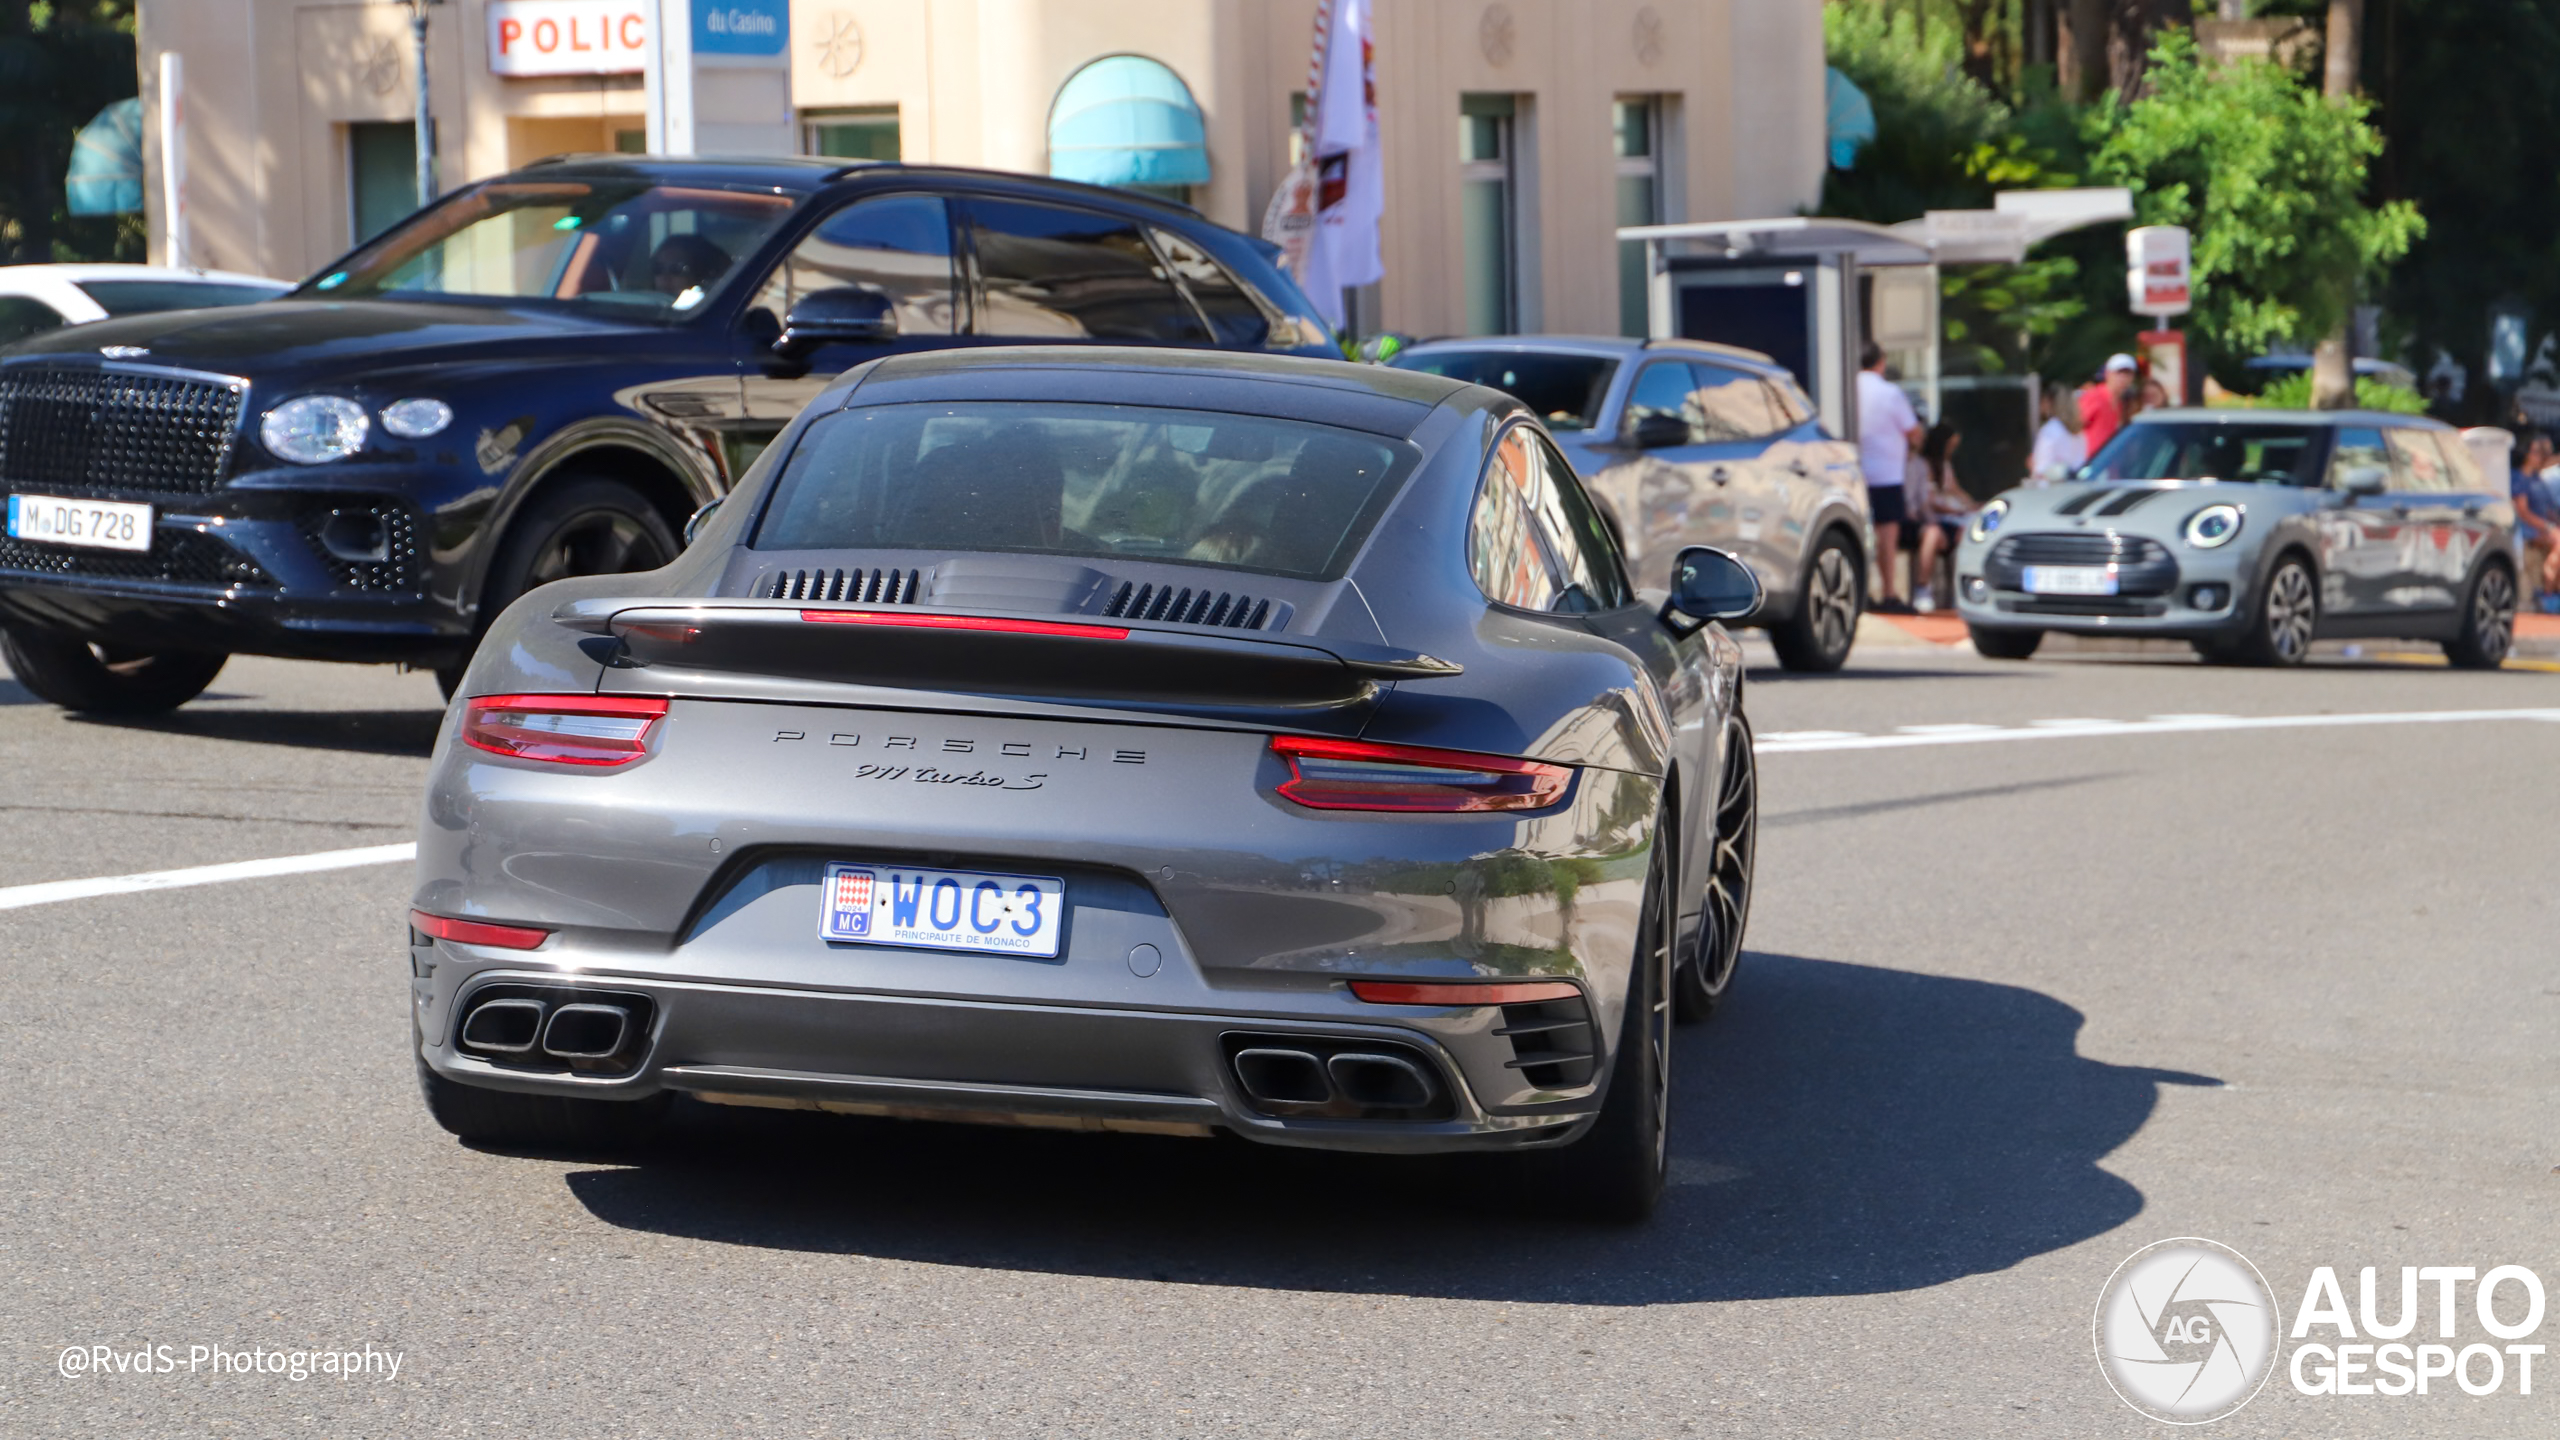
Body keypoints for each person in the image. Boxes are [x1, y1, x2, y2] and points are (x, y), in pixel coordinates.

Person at [1855, 341, 1926, 614]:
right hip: (1886, 473)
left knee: (1860, 533)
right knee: (1887, 536)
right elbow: (1913, 431)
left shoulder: (1846, 388)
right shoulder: (1890, 392)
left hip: (1855, 473)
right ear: (1881, 362)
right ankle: (1888, 592)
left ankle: (1862, 591)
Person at [1912, 422, 1976, 611]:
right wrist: (1956, 511)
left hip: (1954, 515)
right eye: (1950, 446)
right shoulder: (1925, 466)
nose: (1952, 450)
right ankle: (1930, 588)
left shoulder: (1945, 465)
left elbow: (1956, 491)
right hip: (1939, 517)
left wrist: (1972, 505)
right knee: (1960, 533)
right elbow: (1930, 501)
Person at [2510, 428, 2560, 607]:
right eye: (2536, 452)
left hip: (2544, 527)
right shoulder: (2520, 478)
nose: (2540, 456)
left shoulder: (2537, 478)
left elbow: (2547, 507)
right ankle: (2547, 590)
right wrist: (2548, 527)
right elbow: (2523, 512)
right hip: (2528, 530)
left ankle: (2550, 589)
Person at [2078, 353, 2139, 454]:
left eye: (2128, 373)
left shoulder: (2124, 403)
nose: (2123, 377)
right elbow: (2076, 427)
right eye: (2119, 372)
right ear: (2107, 373)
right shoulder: (2093, 396)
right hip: (2091, 462)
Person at [2029, 384, 2086, 484]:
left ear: (2050, 403)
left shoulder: (2050, 430)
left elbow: (2041, 470)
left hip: (2052, 491)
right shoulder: (2079, 431)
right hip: (2076, 487)